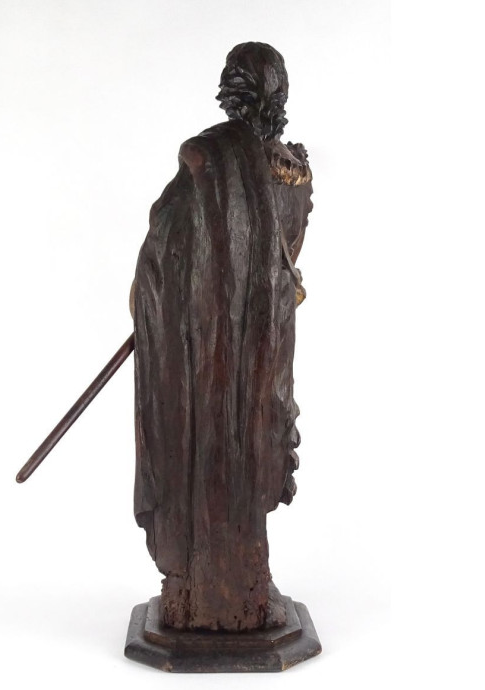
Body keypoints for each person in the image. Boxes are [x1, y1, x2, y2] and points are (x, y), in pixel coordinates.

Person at [131, 42, 314, 631]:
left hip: (230, 341)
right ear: (278, 95)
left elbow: (164, 240)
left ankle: (229, 591)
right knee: (231, 443)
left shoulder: (210, 158)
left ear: (232, 93)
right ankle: (213, 591)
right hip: (241, 337)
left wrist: (159, 291)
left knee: (232, 441)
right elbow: (171, 241)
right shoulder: (283, 165)